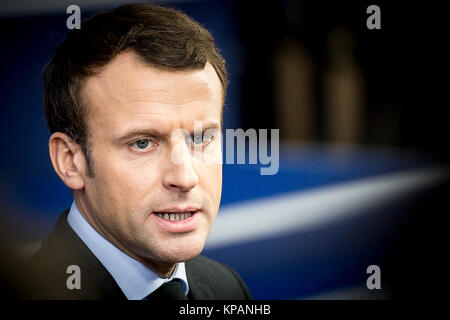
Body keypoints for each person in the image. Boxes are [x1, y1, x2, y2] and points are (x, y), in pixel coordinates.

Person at [25, 3, 252, 300]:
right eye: (143, 143)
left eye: (200, 137)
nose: (185, 177)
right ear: (71, 161)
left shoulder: (226, 288)